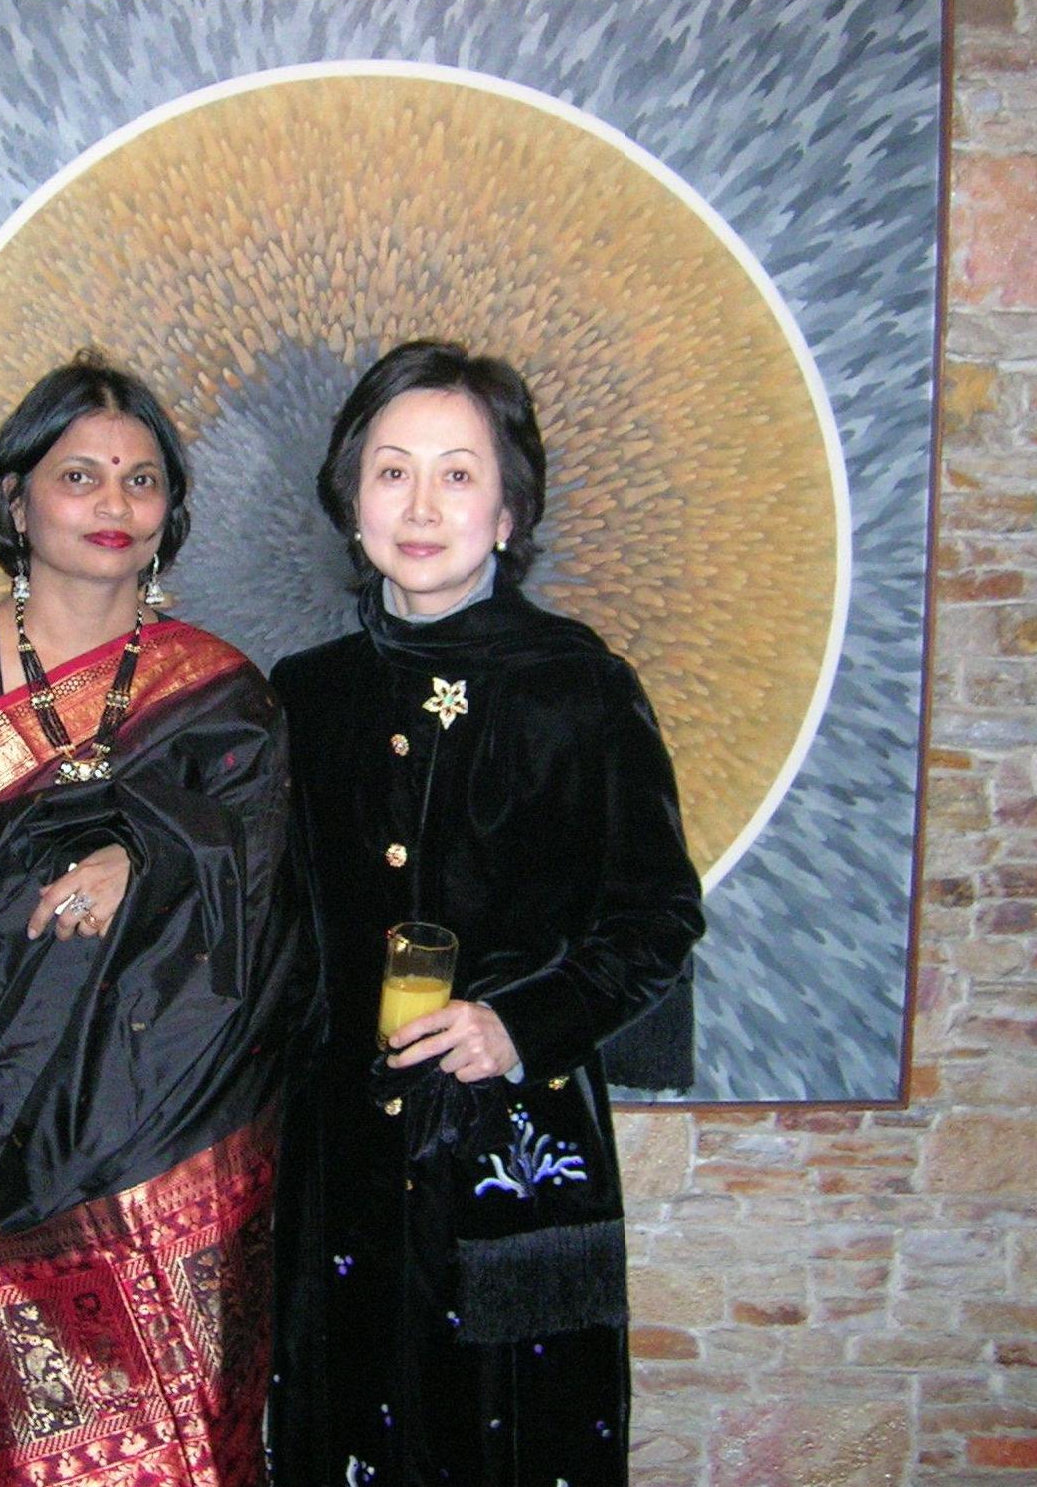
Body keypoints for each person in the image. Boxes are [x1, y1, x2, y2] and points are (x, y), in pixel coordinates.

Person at [268, 340, 705, 1487]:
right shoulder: (304, 695)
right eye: (392, 471)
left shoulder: (580, 686)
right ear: (352, 500)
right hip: (339, 1159)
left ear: (508, 512)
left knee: (515, 1445)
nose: (421, 506)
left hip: (517, 1146)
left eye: (458, 474)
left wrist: (518, 1023)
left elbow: (658, 916)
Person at [0, 351, 295, 1487]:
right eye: (80, 475)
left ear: (169, 512)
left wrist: (143, 849)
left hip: (185, 1153)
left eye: (142, 480)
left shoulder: (224, 693)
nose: (115, 503)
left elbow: (273, 909)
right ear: (18, 499)